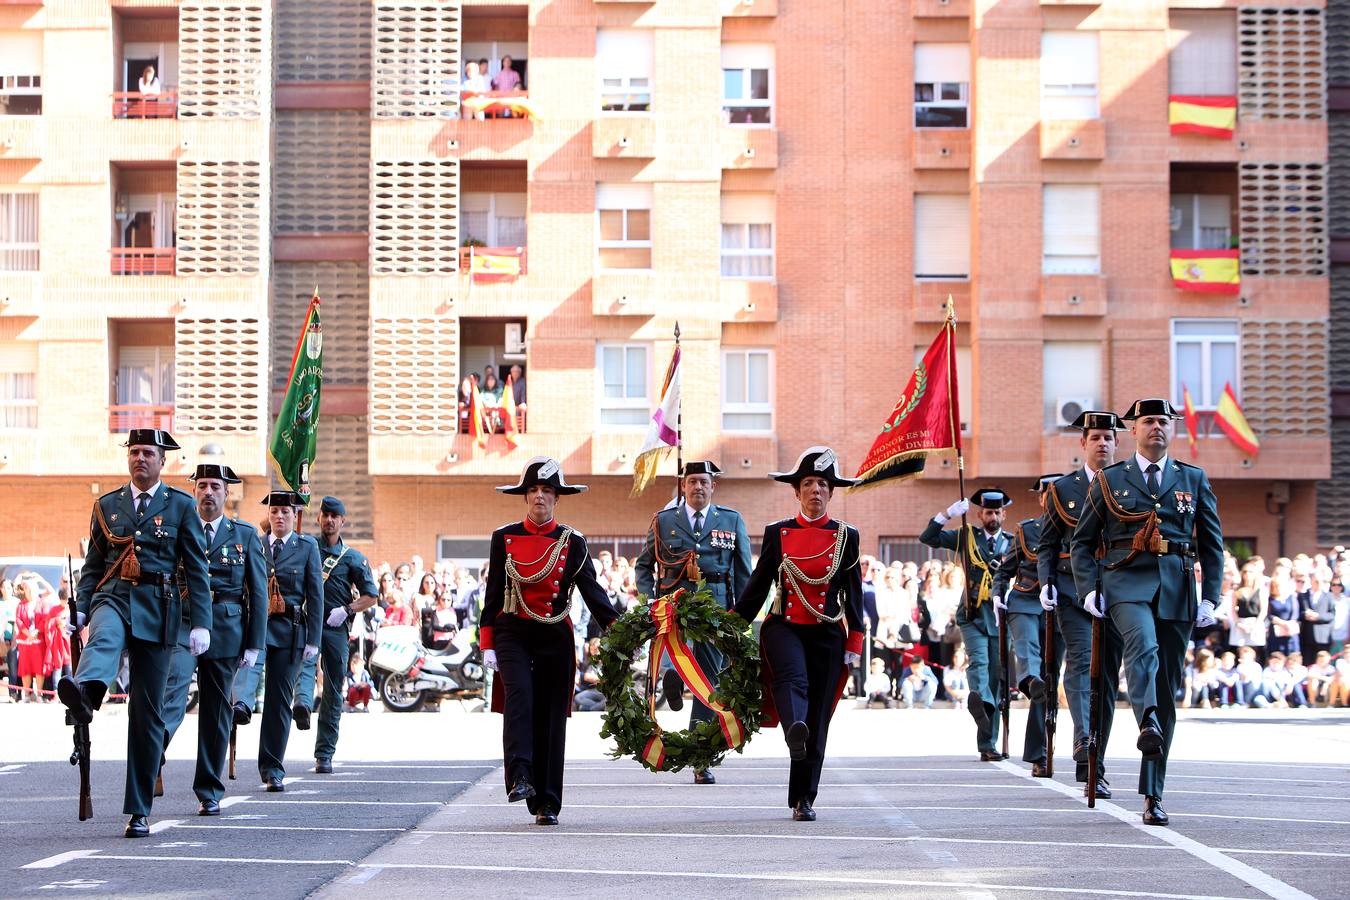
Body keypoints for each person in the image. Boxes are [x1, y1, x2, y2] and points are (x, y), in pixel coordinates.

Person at [1070, 398, 1223, 827]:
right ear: (1132, 429)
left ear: (1171, 429)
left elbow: (1212, 544)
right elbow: (1082, 542)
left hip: (1177, 588)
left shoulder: (1192, 478)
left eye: (1163, 421)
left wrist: (1211, 596)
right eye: (1148, 421)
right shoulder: (1110, 479)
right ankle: (1147, 718)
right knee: (1143, 645)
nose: (1156, 427)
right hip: (1125, 581)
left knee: (1168, 685)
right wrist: (1087, 590)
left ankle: (1153, 794)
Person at [57, 429, 213, 838]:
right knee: (104, 635)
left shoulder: (180, 505)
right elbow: (94, 565)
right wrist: (82, 607)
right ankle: (88, 693)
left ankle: (139, 810)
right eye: (135, 452)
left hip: (161, 609)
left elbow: (196, 567)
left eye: (148, 453)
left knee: (147, 715)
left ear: (164, 461)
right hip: (115, 595)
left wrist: (201, 623)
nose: (140, 458)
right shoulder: (107, 505)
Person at [480, 457, 618, 826]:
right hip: (513, 630)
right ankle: (520, 777)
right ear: (525, 497)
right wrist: (487, 642)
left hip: (555, 632)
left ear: (557, 498)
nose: (540, 496)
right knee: (520, 698)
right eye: (533, 490)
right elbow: (493, 594)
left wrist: (620, 630)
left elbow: (594, 593)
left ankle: (548, 801)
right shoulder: (504, 537)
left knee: (553, 717)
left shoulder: (572, 542)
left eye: (547, 491)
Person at [732, 446, 865, 822]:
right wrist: (729, 624)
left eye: (823, 484)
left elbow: (854, 593)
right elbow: (757, 586)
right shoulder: (778, 532)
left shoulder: (847, 536)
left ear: (831, 492)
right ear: (797, 491)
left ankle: (803, 797)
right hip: (785, 625)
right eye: (808, 483)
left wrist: (855, 639)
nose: (815, 491)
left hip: (827, 630)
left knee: (819, 717)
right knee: (792, 679)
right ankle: (793, 727)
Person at [159, 463, 268, 815]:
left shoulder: (245, 535)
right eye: (202, 485)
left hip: (226, 626)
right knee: (173, 689)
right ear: (194, 491)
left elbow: (258, 593)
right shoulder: (178, 530)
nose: (208, 492)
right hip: (183, 621)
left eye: (215, 486)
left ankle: (208, 789)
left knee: (216, 711)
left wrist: (255, 643)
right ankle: (156, 744)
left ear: (227, 493)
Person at [634, 460, 752, 785]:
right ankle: (673, 676)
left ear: (713, 486)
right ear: (683, 487)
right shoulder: (663, 520)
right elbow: (644, 566)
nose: (698, 487)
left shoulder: (731, 519)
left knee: (708, 680)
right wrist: (650, 598)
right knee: (680, 654)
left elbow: (743, 572)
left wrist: (741, 617)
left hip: (716, 609)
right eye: (692, 482)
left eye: (704, 482)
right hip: (674, 604)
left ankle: (701, 756)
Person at [1037, 410, 1125, 799]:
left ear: (1117, 442)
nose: (1102, 443)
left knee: (1106, 676)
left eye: (1108, 437)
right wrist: (1046, 583)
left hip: (1120, 590)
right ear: (1082, 444)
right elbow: (1048, 544)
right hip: (1074, 592)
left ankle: (1096, 760)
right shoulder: (1063, 490)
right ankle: (1085, 742)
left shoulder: (1130, 484)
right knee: (1081, 662)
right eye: (1095, 437)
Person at [920, 486, 1015, 761]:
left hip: (999, 615)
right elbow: (928, 538)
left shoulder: (1012, 542)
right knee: (979, 662)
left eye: (997, 512)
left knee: (998, 677)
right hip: (972, 613)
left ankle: (988, 744)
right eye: (988, 512)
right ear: (979, 514)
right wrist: (948, 514)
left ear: (1003, 514)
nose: (992, 516)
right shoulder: (966, 535)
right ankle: (980, 700)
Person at [239, 491, 322, 793]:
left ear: (294, 515)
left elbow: (315, 594)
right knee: (246, 674)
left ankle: (272, 767)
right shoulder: (256, 544)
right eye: (274, 511)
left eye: (285, 512)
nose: (279, 516)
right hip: (257, 627)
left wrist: (313, 639)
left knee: (277, 702)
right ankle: (242, 705)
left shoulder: (306, 547)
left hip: (290, 629)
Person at [291, 496, 379, 775]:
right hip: (306, 621)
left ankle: (324, 753)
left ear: (343, 521)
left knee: (332, 688)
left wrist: (347, 609)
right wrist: (294, 508)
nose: (329, 520)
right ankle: (302, 704)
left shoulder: (353, 557)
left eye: (334, 516)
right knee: (304, 666)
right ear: (318, 518)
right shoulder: (305, 545)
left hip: (334, 625)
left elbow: (371, 596)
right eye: (325, 515)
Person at [993, 474, 1063, 777]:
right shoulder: (1027, 530)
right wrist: (997, 595)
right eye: (1047, 494)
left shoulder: (1079, 527)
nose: (1052, 499)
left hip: (1060, 610)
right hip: (1024, 602)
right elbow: (1004, 571)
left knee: (1048, 683)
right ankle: (1027, 678)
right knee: (1030, 661)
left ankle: (1040, 753)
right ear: (1041, 499)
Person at [14, 579, 46, 702]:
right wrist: (27, 633)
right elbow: (18, 620)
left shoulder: (41, 603)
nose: (29, 591)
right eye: (27, 589)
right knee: (25, 668)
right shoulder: (21, 605)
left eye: (30, 588)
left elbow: (45, 619)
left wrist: (36, 632)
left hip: (38, 641)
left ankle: (39, 695)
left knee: (38, 668)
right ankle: (27, 694)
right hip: (25, 641)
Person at [1297, 572, 1334, 659]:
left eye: (1322, 581)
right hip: (1306, 636)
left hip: (1322, 637)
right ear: (1311, 581)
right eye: (1317, 581)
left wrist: (1318, 616)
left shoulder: (1328, 596)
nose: (1319, 584)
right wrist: (1305, 615)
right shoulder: (1302, 595)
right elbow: (1297, 613)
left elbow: (1332, 615)